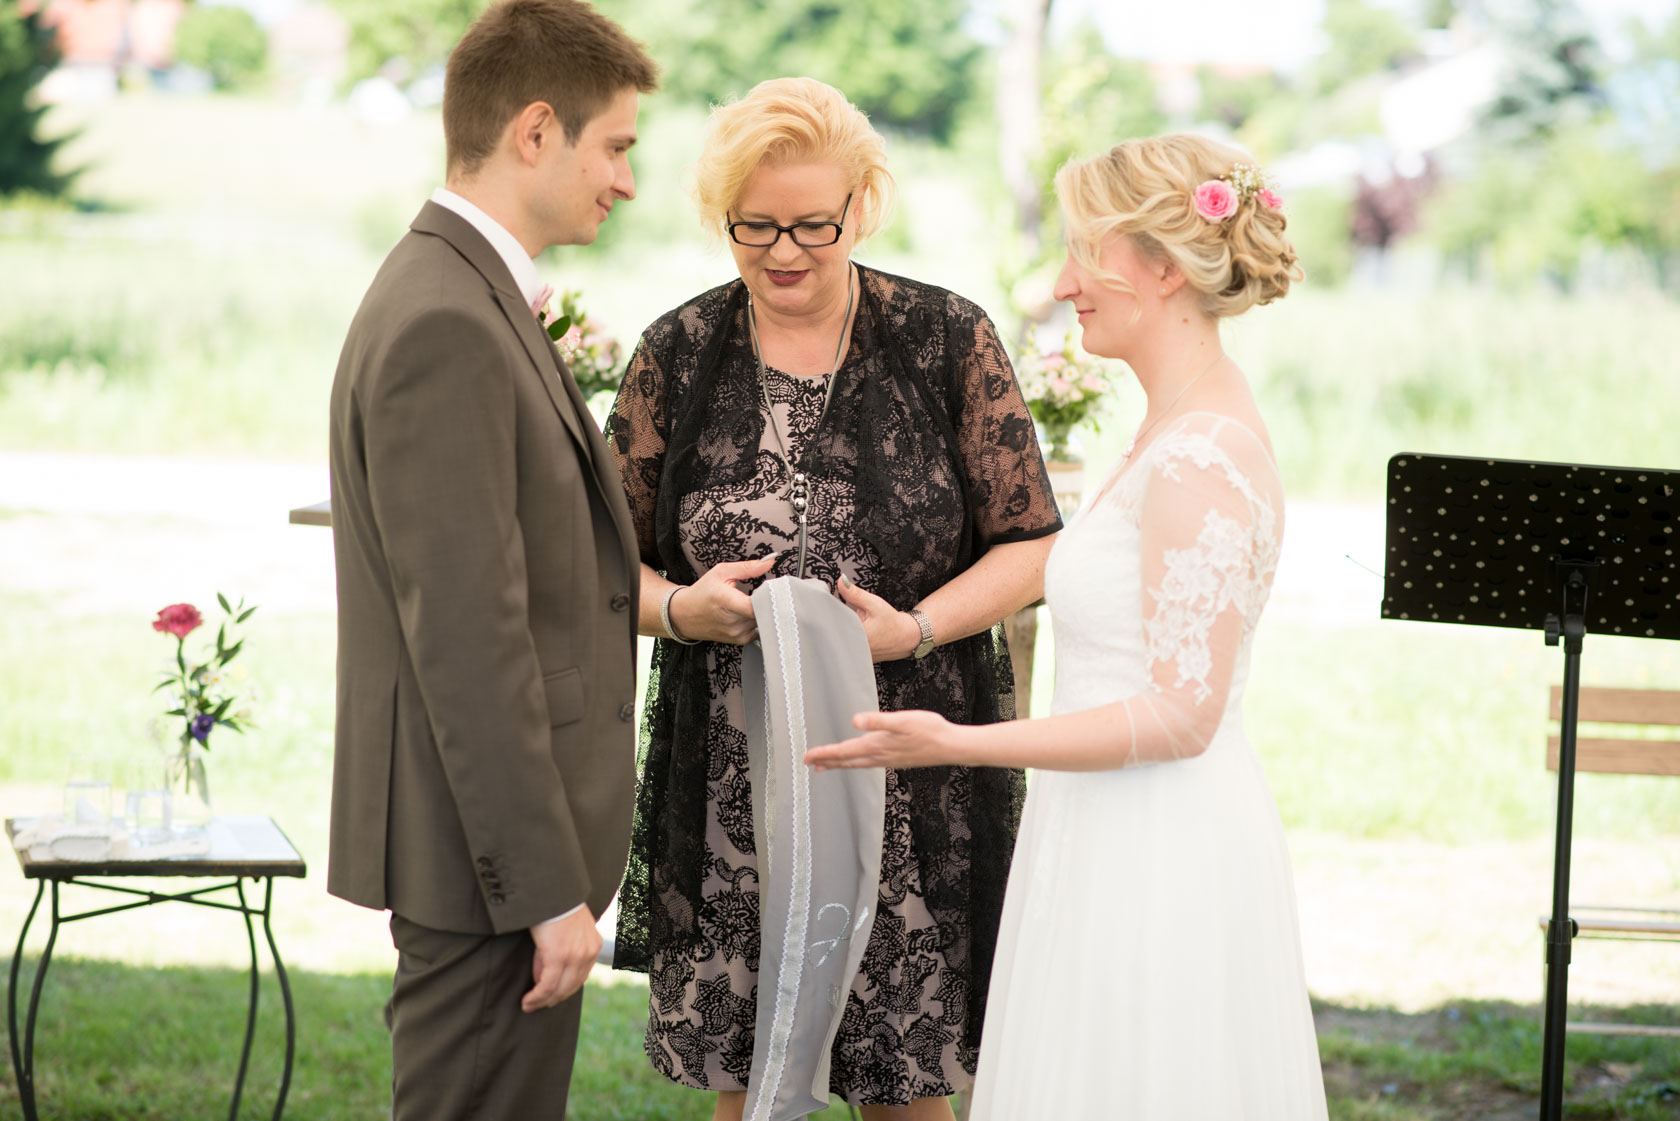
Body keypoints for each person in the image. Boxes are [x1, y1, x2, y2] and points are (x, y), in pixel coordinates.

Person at [806, 134, 1329, 1119]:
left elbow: (1181, 715)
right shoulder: (1167, 431)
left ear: (1165, 269)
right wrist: (912, 628)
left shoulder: (1200, 461)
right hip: (1099, 823)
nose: (1061, 282)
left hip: (1157, 844)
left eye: (1085, 253)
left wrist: (957, 741)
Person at [605, 77, 1061, 1120]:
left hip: (906, 767)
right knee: (752, 1084)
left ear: (864, 204)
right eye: (754, 226)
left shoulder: (945, 337)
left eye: (815, 223)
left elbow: (1031, 542)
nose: (785, 252)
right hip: (734, 780)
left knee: (904, 1088)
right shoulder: (676, 352)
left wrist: (920, 624)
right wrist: (680, 608)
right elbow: (599, 566)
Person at [324, 3, 657, 1118]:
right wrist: (545, 889)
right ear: (534, 131)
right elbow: (468, 634)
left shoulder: (464, 292)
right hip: (489, 868)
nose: (624, 180)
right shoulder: (446, 322)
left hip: (493, 861)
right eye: (615, 146)